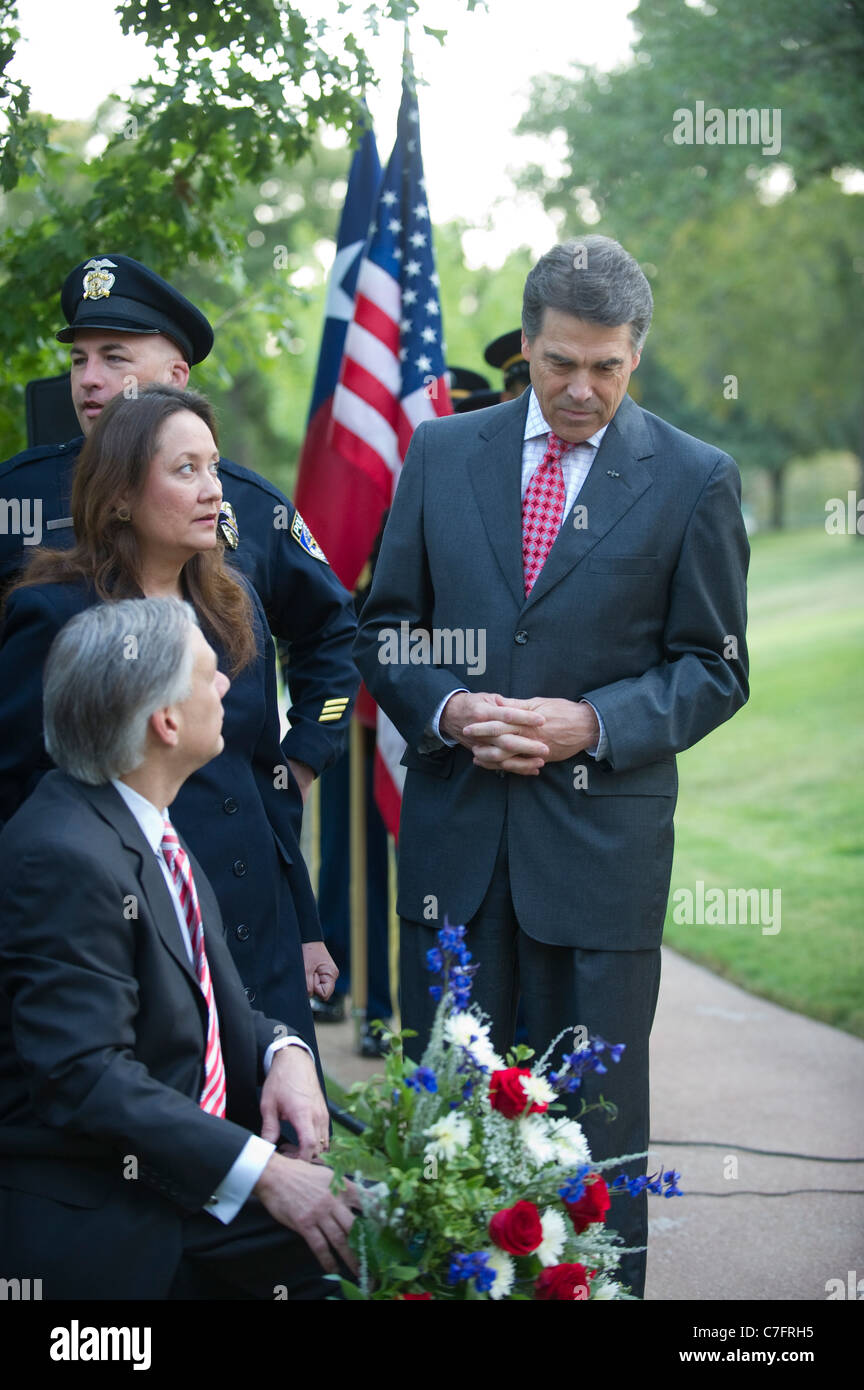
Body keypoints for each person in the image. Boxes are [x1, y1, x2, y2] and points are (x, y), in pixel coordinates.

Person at [354, 234, 750, 1297]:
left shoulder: (696, 480)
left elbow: (713, 670)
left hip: (599, 858)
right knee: (450, 1124)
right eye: (561, 362)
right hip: (458, 846)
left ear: (637, 356)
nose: (582, 389)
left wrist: (591, 722)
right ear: (526, 345)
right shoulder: (441, 453)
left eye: (607, 367)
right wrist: (447, 703)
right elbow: (386, 627)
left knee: (594, 1139)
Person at [0, 597, 358, 1299]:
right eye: (208, 674)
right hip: (105, 1216)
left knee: (393, 1229)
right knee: (375, 1251)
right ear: (166, 723)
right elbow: (86, 1077)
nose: (227, 684)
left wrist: (282, 1052)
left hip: (174, 1178)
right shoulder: (63, 857)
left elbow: (202, 1002)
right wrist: (266, 1172)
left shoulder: (139, 821)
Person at [0, 385, 330, 1067]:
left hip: (256, 926)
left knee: (284, 1122)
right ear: (119, 496)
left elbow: (263, 777)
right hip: (137, 935)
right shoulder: (56, 614)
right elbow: (17, 790)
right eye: (186, 471)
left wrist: (306, 926)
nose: (214, 490)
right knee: (175, 1141)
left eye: (213, 466)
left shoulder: (232, 603)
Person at [0, 251, 358, 853]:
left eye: (114, 358)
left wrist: (301, 761)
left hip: (228, 854)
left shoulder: (245, 503)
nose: (89, 378)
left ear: (174, 377)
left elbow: (334, 631)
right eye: (79, 358)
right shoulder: (17, 496)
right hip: (77, 863)